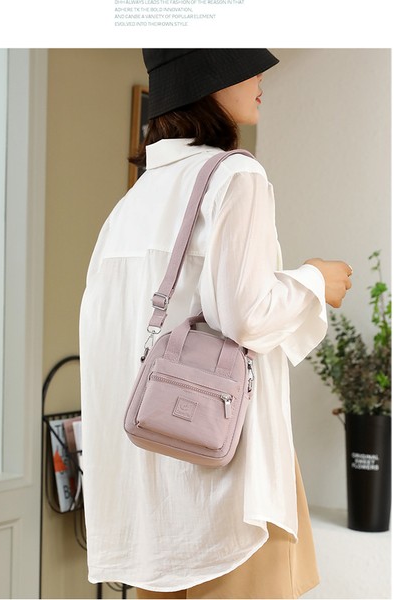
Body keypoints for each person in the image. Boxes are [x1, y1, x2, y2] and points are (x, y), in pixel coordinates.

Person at [79, 49, 353, 599]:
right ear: (205, 80)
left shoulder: (129, 206)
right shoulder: (235, 175)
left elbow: (106, 345)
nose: (260, 76)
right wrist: (314, 281)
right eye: (244, 65)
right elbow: (246, 316)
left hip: (151, 513)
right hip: (228, 484)